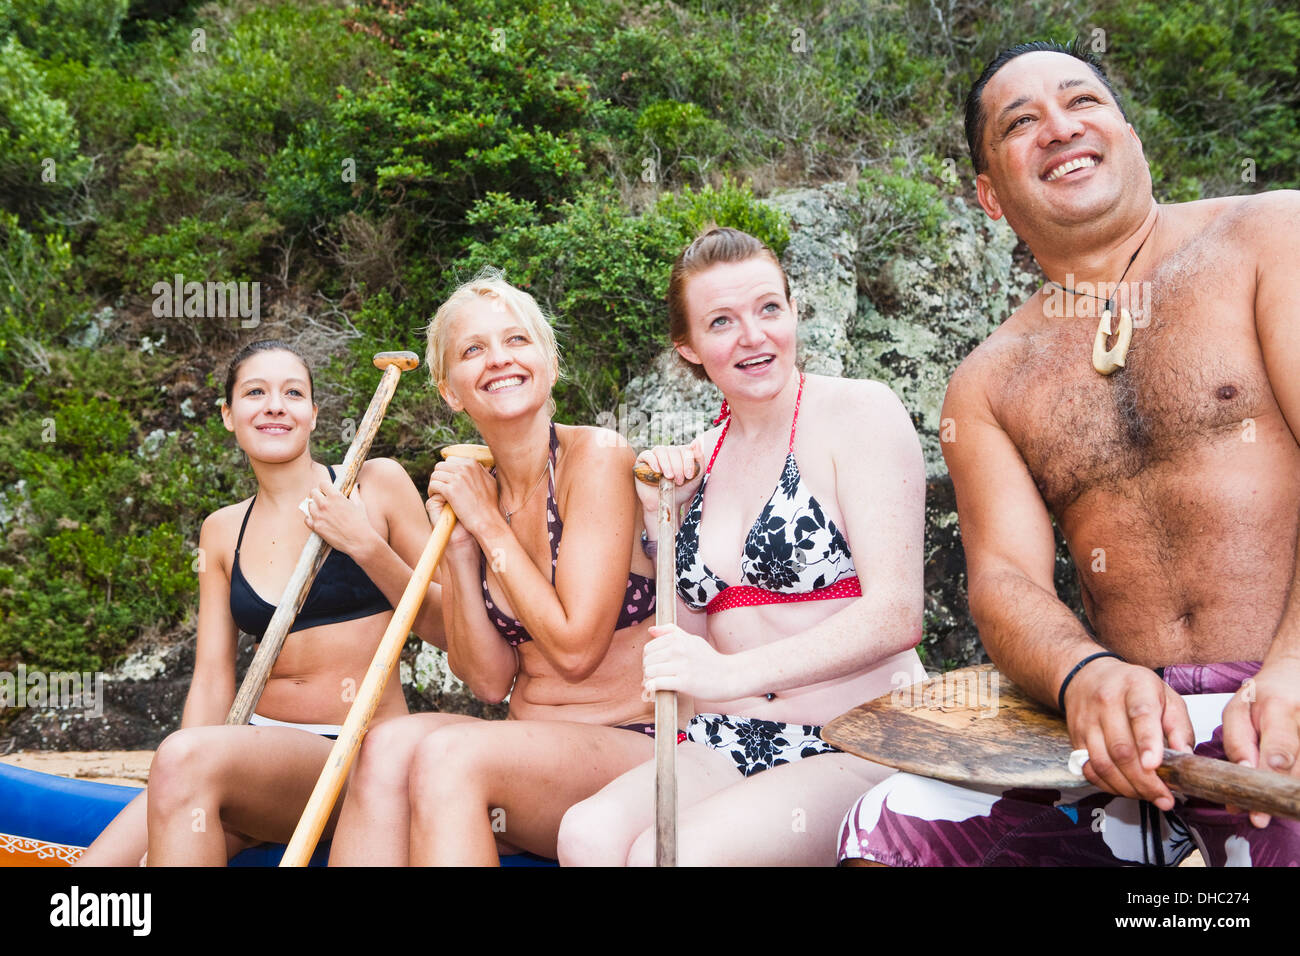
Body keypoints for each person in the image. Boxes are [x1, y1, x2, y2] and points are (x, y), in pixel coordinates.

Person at [839, 41, 1300, 866]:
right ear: (989, 194)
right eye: (1021, 122)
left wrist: (1293, 671)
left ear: (1128, 132)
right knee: (894, 823)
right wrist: (1085, 674)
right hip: (1129, 742)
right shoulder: (987, 381)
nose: (1058, 127)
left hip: (1288, 693)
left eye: (1081, 102)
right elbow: (1006, 581)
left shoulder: (1273, 236)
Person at [556, 227, 926, 866]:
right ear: (690, 348)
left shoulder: (858, 414)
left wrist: (729, 674)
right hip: (727, 738)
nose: (753, 337)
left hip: (858, 737)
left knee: (668, 857)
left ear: (792, 312)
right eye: (721, 322)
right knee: (585, 837)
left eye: (768, 309)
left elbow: (897, 614)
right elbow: (692, 630)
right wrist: (660, 519)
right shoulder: (701, 456)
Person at [327, 271, 662, 867]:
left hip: (637, 746)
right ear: (449, 389)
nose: (498, 360)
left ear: (550, 364)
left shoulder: (599, 457)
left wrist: (487, 525)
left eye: (516, 341)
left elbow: (577, 651)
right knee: (383, 746)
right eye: (473, 350)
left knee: (450, 757)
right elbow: (486, 681)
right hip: (527, 750)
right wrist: (459, 551)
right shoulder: (476, 490)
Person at [77, 339, 445, 865]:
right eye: (255, 392)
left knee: (186, 765)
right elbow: (211, 677)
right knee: (97, 870)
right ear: (229, 415)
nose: (275, 405)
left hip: (357, 758)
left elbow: (449, 627)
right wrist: (186, 771)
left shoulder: (375, 484)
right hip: (251, 750)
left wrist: (364, 543)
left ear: (313, 415)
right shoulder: (221, 530)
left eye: (292, 393)